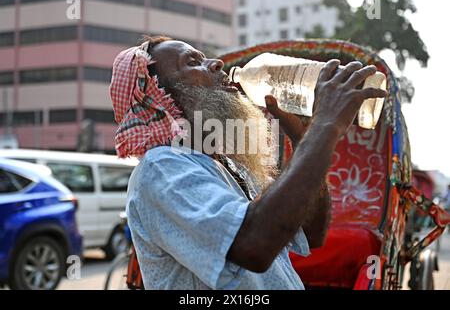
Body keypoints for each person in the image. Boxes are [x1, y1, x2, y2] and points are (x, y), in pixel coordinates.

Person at [109, 36, 387, 290]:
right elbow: (253, 246)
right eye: (193, 62)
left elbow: (311, 233)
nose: (216, 63)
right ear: (160, 96)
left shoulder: (226, 166)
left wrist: (305, 140)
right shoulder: (163, 168)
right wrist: (325, 127)